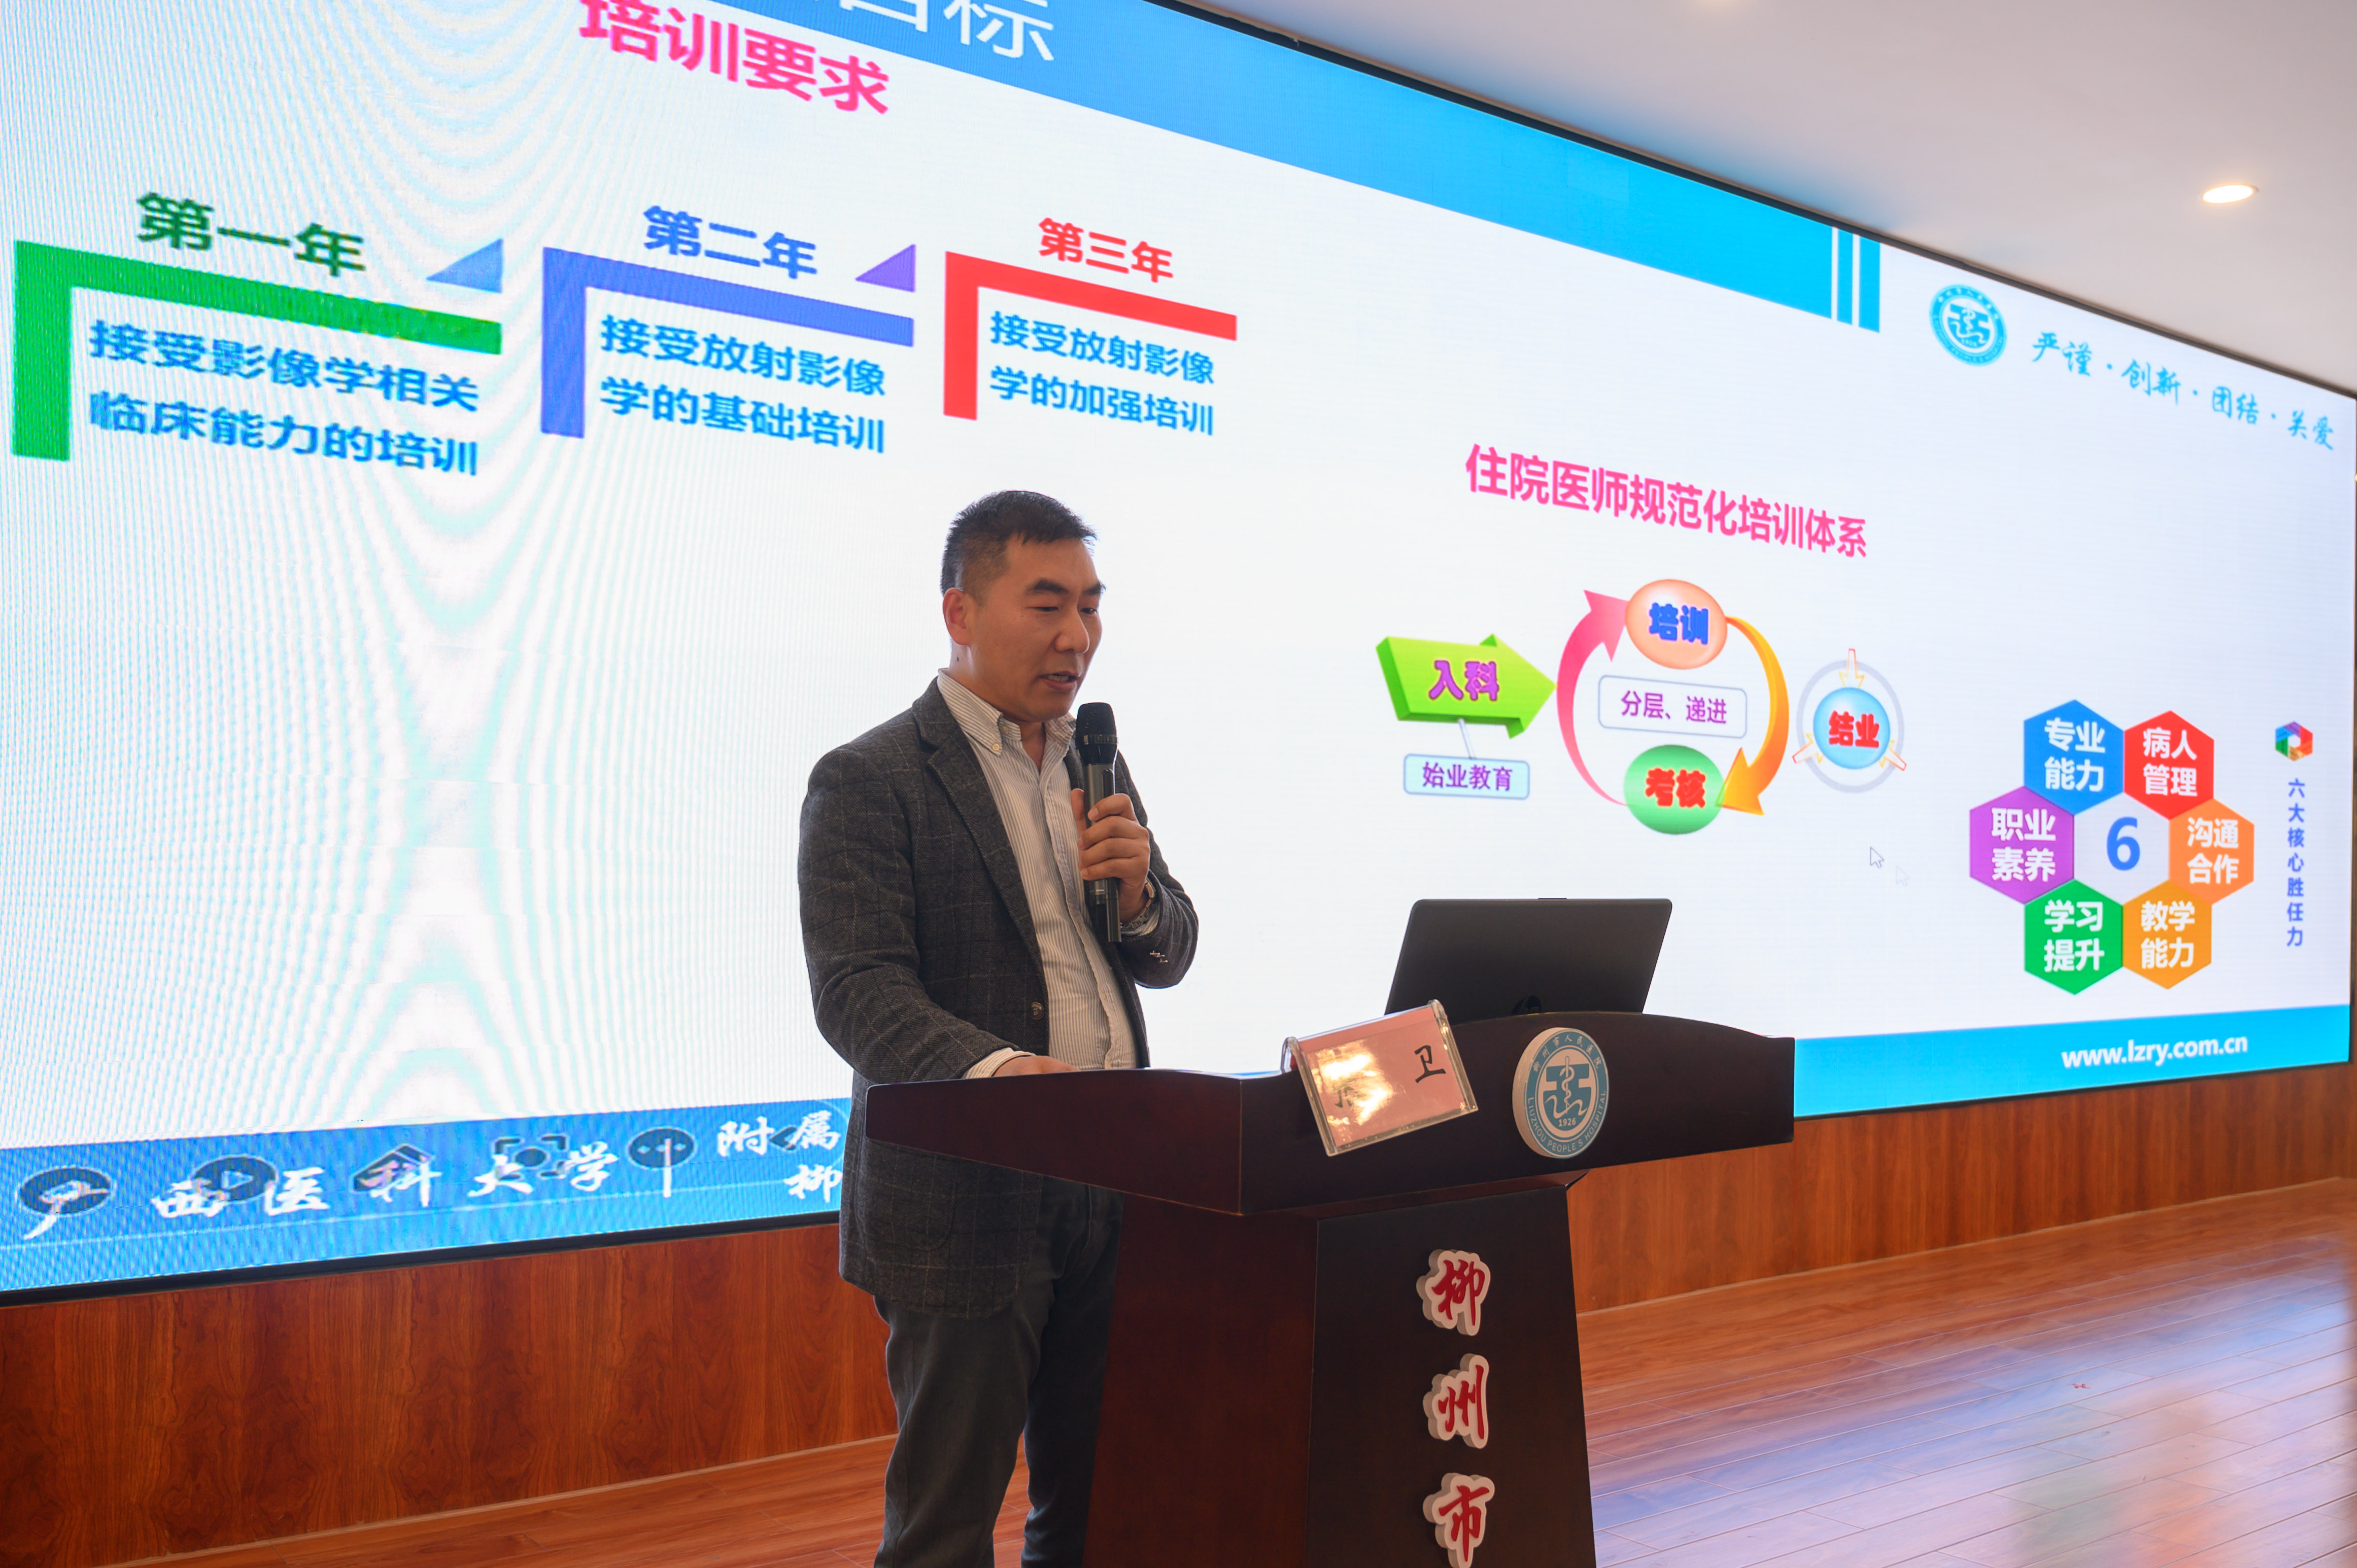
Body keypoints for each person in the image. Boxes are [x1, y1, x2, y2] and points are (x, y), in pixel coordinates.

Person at [798, 490, 1198, 1568]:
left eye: (1091, 606)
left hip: (1113, 1183)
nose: (1077, 636)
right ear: (960, 613)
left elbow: (1168, 951)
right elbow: (857, 990)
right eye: (1047, 604)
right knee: (944, 1527)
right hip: (965, 1196)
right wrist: (1004, 1075)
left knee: (1098, 1505)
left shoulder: (1093, 763)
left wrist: (1141, 898)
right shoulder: (870, 776)